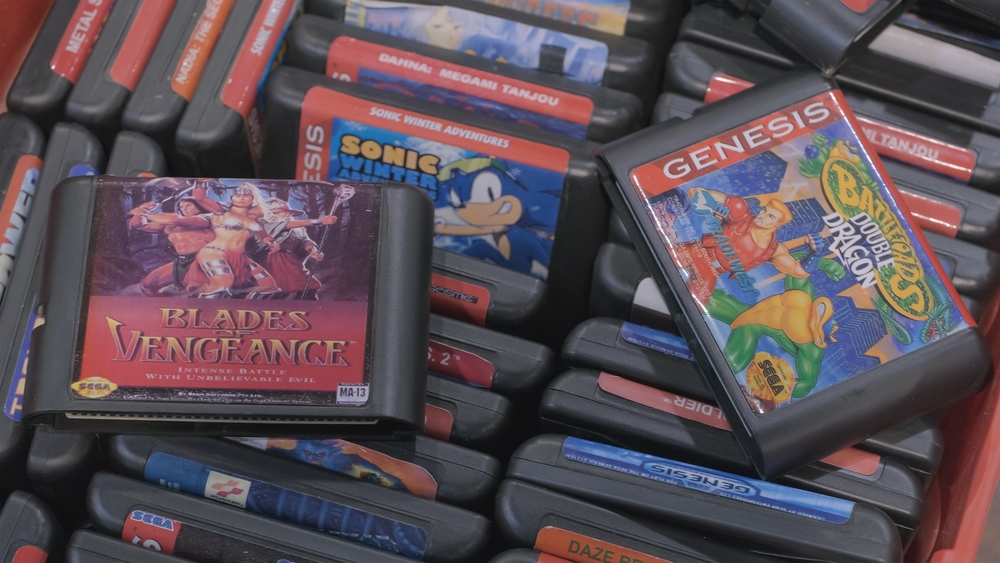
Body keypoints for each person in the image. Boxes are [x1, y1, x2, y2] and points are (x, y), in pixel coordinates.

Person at [672, 187, 827, 304]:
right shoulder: (740, 212)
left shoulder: (773, 250)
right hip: (695, 252)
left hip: (710, 274)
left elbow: (798, 271)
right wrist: (710, 205)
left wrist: (815, 254)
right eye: (764, 210)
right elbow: (695, 192)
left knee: (692, 306)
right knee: (661, 257)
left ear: (778, 224)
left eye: (770, 216)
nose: (762, 215)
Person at [146, 182, 280, 298]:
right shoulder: (221, 211)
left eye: (246, 196)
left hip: (239, 257)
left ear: (252, 199)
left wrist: (268, 241)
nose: (241, 198)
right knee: (221, 285)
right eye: (237, 195)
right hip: (214, 253)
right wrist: (201, 183)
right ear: (232, 198)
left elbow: (261, 232)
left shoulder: (254, 220)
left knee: (270, 286)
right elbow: (199, 197)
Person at [128, 196, 214, 296]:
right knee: (147, 286)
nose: (184, 209)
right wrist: (143, 209)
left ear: (199, 206)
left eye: (188, 205)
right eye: (181, 207)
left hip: (202, 260)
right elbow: (139, 226)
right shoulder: (174, 224)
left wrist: (145, 214)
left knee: (194, 289)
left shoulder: (206, 218)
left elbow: (174, 219)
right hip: (182, 261)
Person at [258, 196, 340, 299]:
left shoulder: (298, 228)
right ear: (272, 214)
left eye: (289, 213)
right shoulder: (266, 226)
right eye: (282, 213)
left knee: (309, 286)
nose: (287, 215)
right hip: (271, 260)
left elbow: (306, 241)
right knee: (277, 289)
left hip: (291, 261)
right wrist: (320, 221)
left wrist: (313, 250)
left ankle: (306, 305)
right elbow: (285, 225)